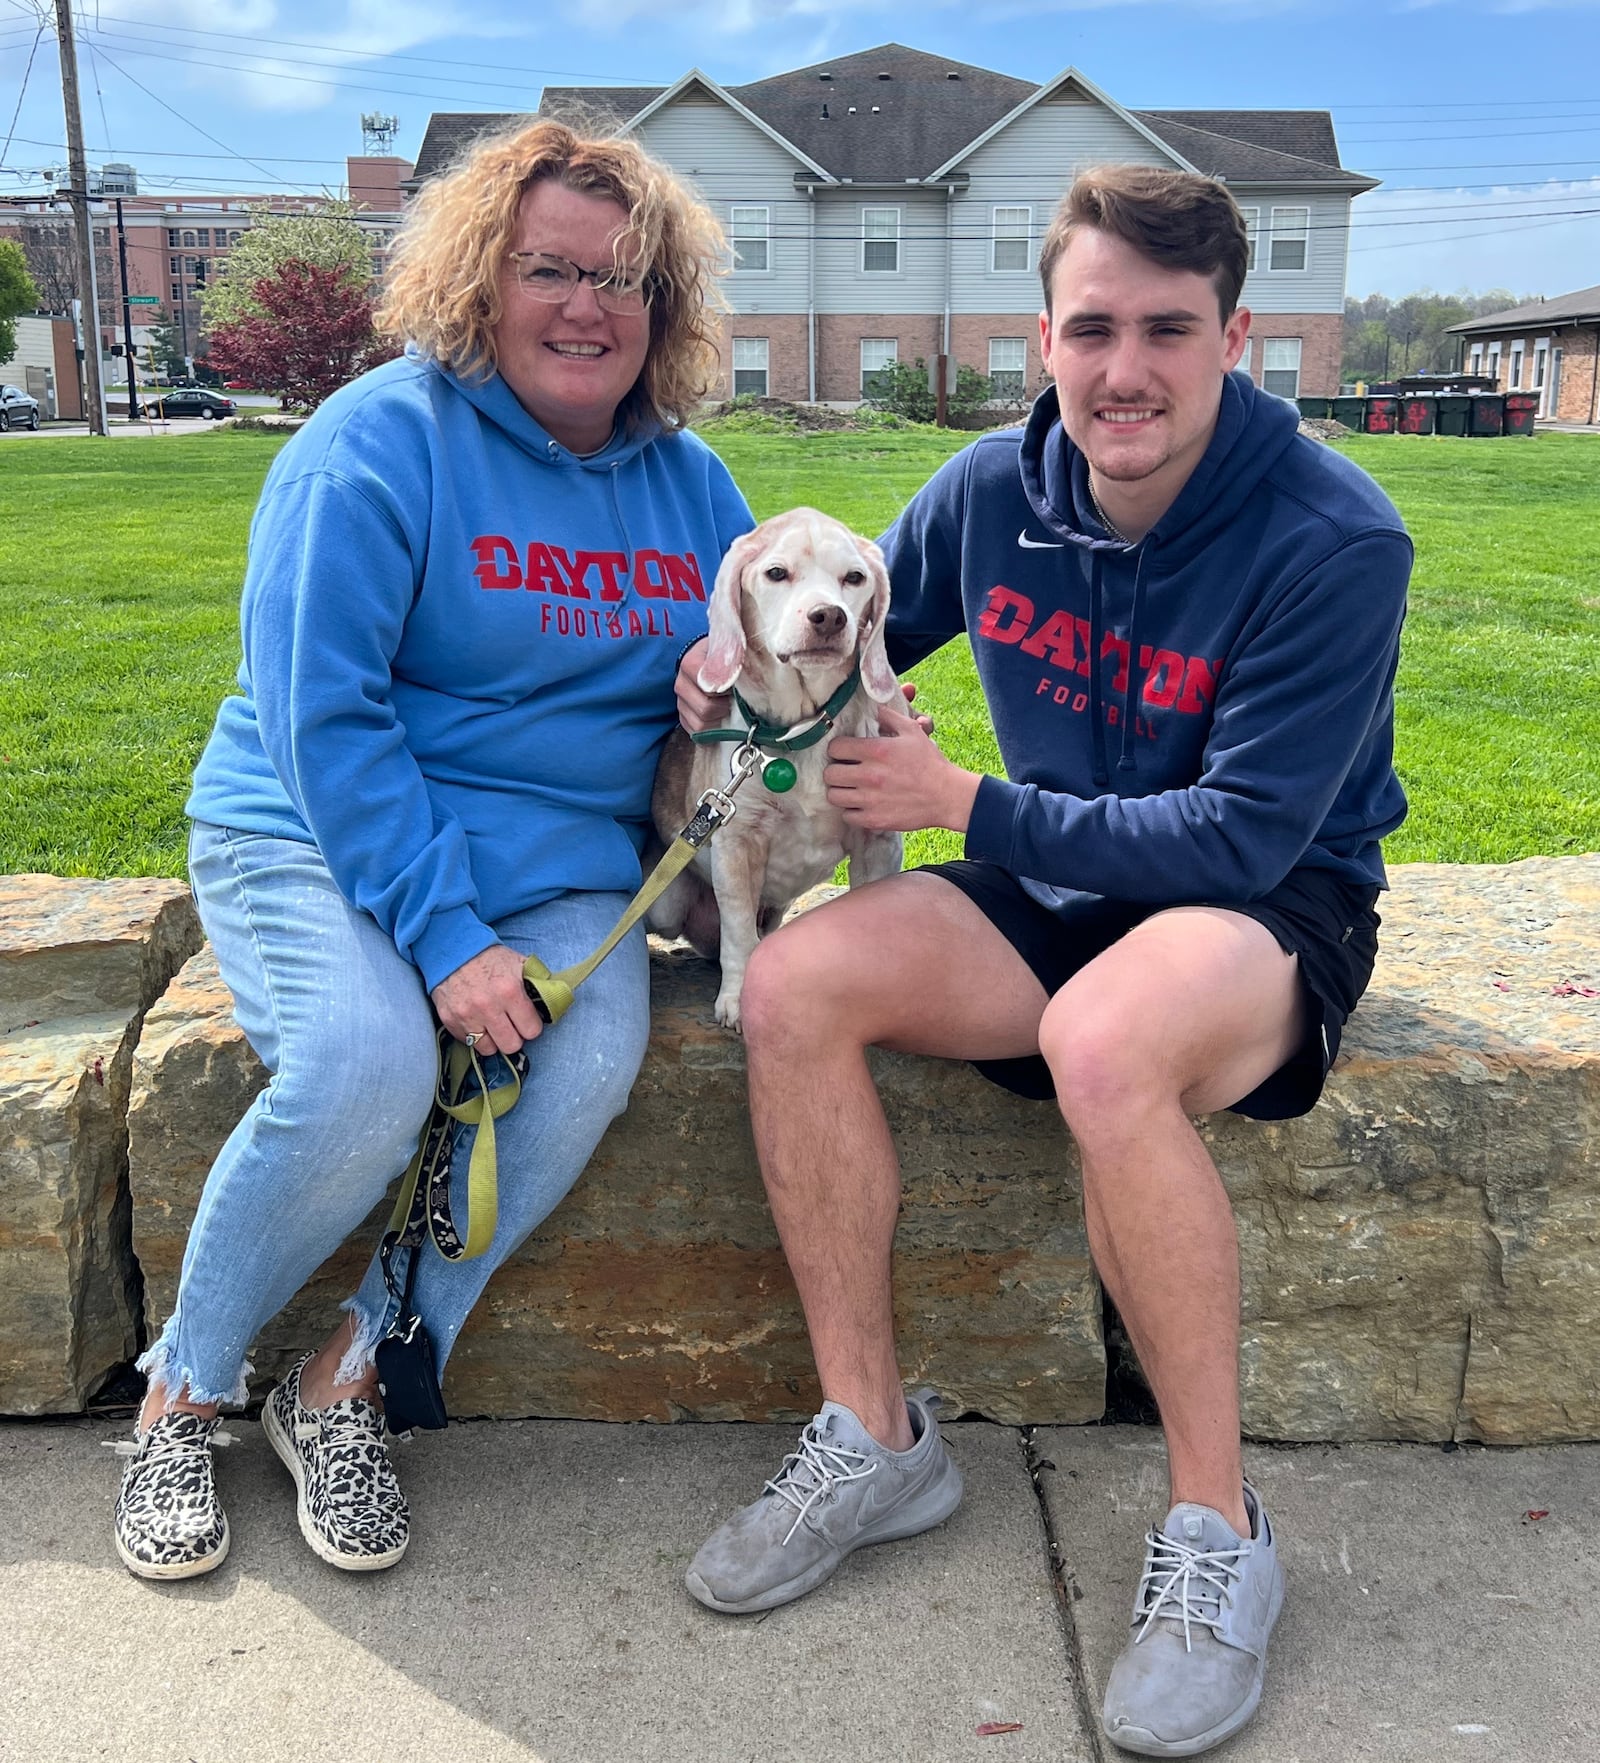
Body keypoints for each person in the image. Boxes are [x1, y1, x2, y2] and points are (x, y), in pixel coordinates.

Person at [677, 165, 1410, 1757]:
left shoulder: (1336, 536)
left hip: (1261, 907)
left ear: (1233, 336)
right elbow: (844, 636)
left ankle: (1218, 1534)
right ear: (1046, 338)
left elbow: (1239, 842)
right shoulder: (989, 491)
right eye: (1092, 328)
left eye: (1167, 328)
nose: (1123, 368)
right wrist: (729, 676)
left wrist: (967, 803)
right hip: (1049, 882)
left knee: (1101, 1041)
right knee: (795, 985)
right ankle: (876, 1438)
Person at [112, 120, 752, 1581]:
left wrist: (727, 887)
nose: (588, 306)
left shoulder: (695, 489)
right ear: (481, 280)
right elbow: (320, 715)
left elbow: (750, 713)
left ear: (665, 309)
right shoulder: (376, 443)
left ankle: (342, 1378)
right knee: (368, 1067)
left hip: (557, 861)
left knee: (586, 1061)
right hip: (322, 834)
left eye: (626, 277)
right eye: (549, 270)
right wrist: (446, 938)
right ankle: (181, 1391)